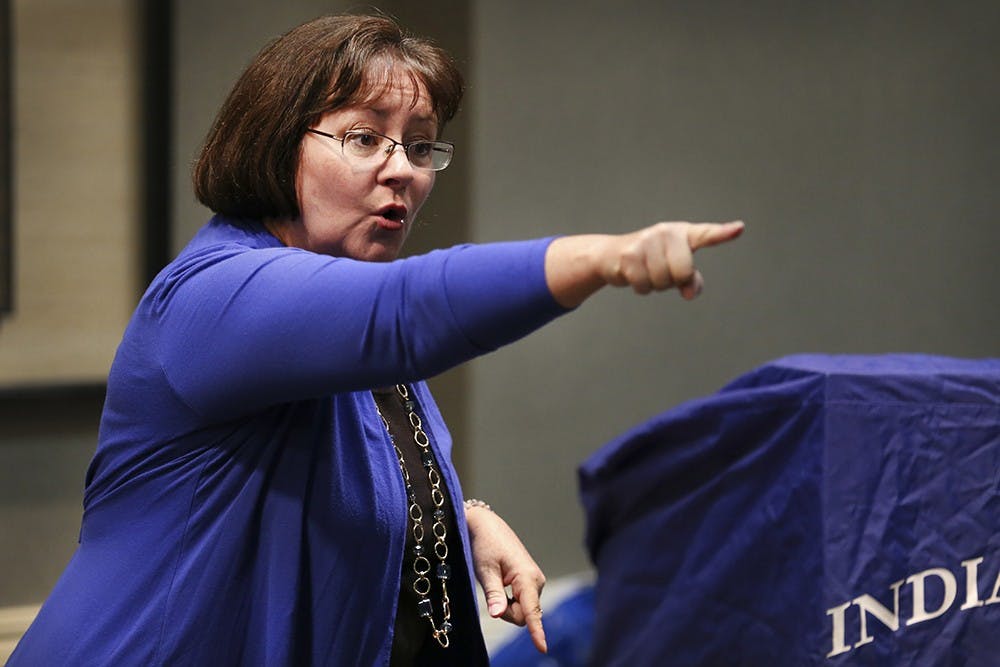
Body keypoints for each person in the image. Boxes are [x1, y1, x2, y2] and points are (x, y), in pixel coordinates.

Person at [9, 13, 743, 667]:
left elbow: (340, 465)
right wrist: (605, 258)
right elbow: (406, 314)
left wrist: (457, 517)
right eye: (364, 138)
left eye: (421, 147)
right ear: (274, 142)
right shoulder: (210, 296)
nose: (402, 169)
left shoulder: (343, 300)